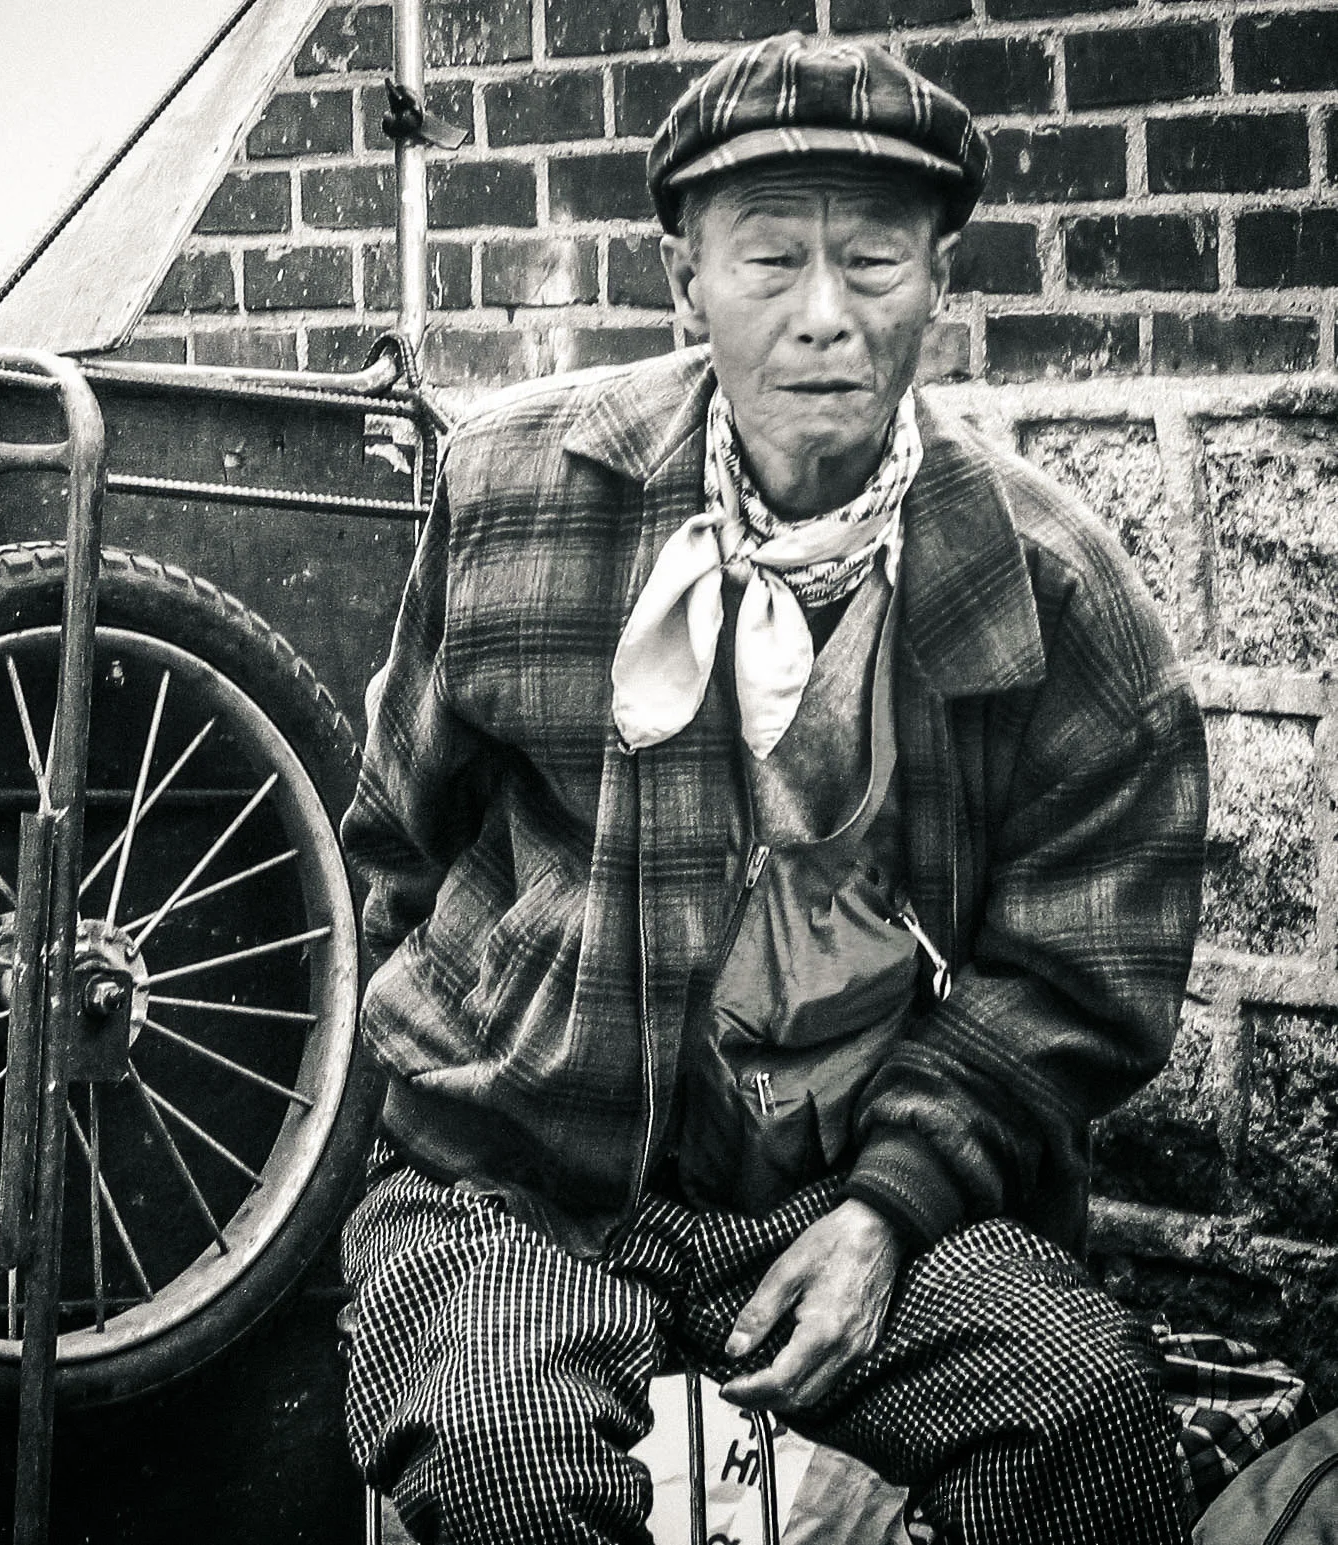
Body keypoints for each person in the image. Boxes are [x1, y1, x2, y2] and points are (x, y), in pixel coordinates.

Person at [338, 32, 1210, 1545]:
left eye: (875, 263)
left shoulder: (1051, 597)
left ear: (940, 276)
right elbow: (401, 839)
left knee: (1085, 1412)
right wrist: (503, 1050)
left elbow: (1079, 977)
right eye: (769, 262)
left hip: (851, 1183)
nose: (826, 319)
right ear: (685, 280)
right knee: (497, 1458)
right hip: (521, 1175)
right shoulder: (517, 496)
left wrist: (891, 1207)